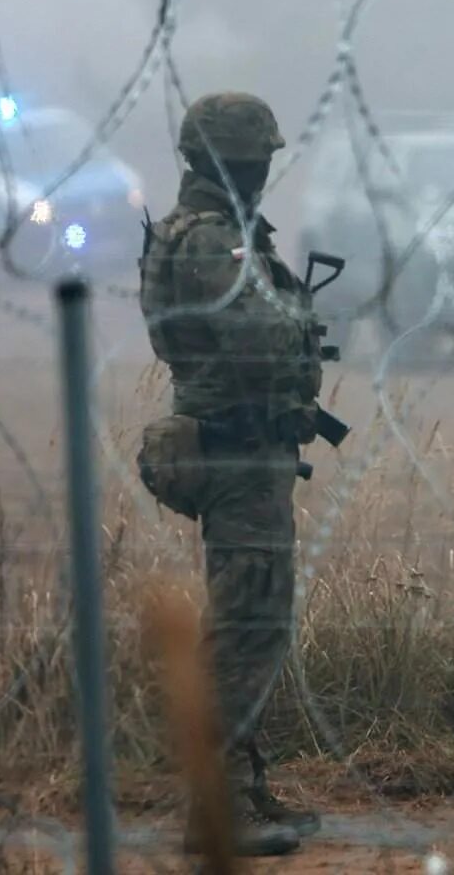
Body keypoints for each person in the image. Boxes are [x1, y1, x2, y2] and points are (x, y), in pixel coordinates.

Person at [138, 92, 325, 856]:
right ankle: (216, 811)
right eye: (257, 160)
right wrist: (299, 321)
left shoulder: (217, 232)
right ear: (234, 163)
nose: (263, 171)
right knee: (246, 624)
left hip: (244, 443)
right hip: (236, 446)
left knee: (253, 618)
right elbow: (250, 334)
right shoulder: (212, 238)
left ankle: (243, 788)